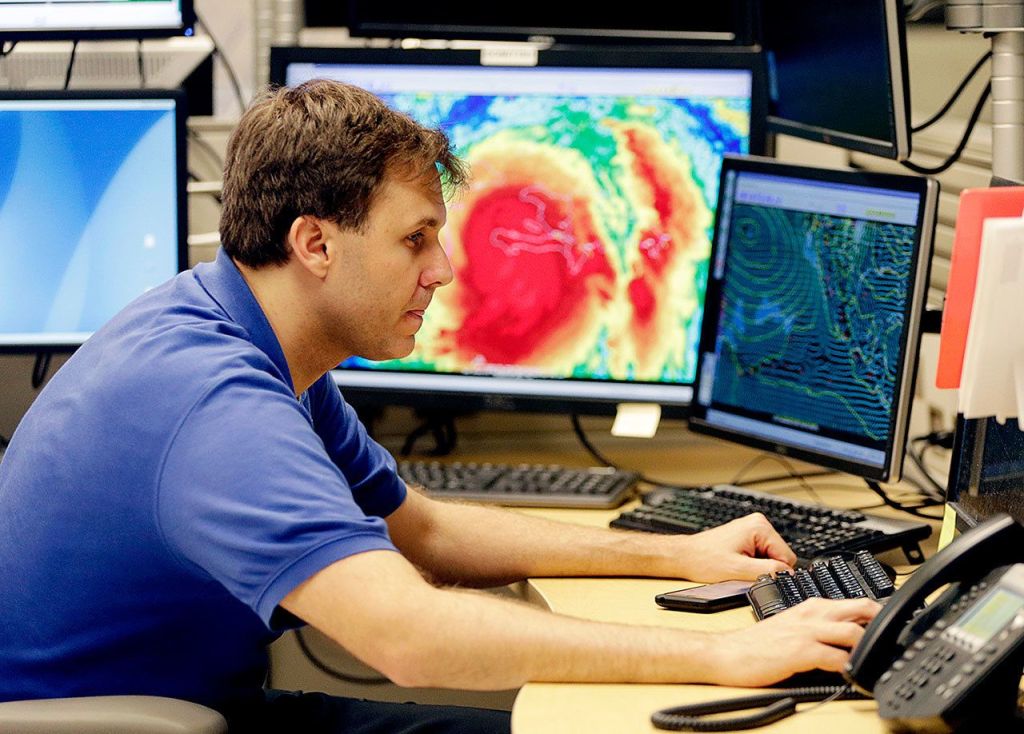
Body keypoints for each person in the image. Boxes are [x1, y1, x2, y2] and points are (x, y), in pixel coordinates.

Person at [0, 80, 879, 733]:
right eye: (415, 238)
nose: (444, 270)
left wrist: (678, 556)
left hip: (194, 708)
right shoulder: (216, 403)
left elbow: (420, 533)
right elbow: (407, 639)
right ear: (314, 242)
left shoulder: (246, 332)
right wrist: (724, 653)